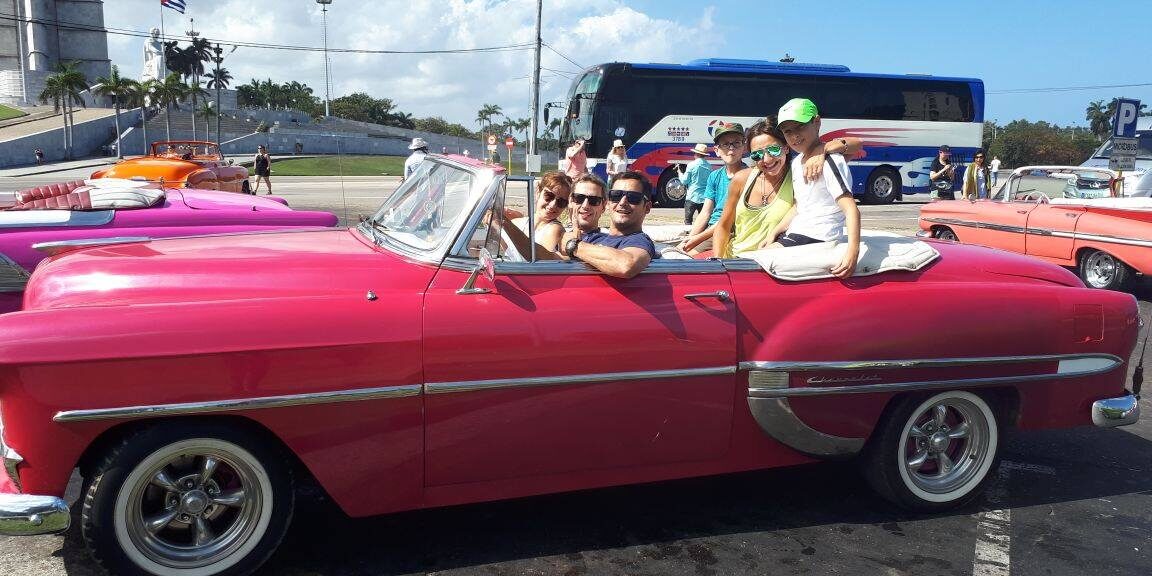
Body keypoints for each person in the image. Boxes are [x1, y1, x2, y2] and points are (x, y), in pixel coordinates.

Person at [712, 119, 861, 258]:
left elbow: (857, 145)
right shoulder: (742, 179)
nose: (766, 159)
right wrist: (718, 262)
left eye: (774, 150)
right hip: (734, 260)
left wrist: (822, 149)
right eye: (757, 154)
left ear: (786, 148)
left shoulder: (802, 174)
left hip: (774, 262)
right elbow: (723, 226)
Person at [769, 98, 860, 280]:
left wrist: (852, 252)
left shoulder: (830, 160)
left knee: (757, 262)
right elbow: (799, 205)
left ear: (816, 122)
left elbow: (851, 208)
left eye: (800, 127)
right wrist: (773, 232)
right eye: (788, 131)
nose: (794, 136)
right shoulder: (796, 162)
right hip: (798, 232)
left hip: (818, 235)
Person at [558, 172, 658, 278]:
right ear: (608, 203)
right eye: (616, 196)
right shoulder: (594, 238)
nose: (622, 202)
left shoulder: (639, 241)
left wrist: (573, 246)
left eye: (633, 197)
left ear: (647, 207)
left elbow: (626, 265)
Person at [679, 122, 745, 254]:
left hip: (733, 230)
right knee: (679, 253)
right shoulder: (714, 176)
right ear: (716, 150)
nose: (731, 148)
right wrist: (690, 238)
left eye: (736, 143)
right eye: (725, 144)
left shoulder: (748, 176)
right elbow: (705, 212)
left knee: (689, 257)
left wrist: (697, 238)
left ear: (744, 146)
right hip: (711, 230)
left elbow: (730, 219)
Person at [502, 171, 574, 258]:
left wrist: (504, 223)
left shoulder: (555, 229)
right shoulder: (518, 222)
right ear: (538, 192)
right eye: (549, 196)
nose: (553, 205)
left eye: (561, 202)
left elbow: (536, 258)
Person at [677, 143, 713, 225]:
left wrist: (679, 173)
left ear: (696, 154)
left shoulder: (691, 165)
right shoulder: (709, 166)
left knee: (688, 221)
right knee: (703, 222)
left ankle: (688, 232)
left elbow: (684, 181)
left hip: (692, 196)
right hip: (704, 197)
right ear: (704, 155)